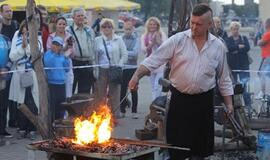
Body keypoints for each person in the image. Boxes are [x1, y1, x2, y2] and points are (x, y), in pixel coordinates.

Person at [129, 4, 234, 160]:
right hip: (179, 100)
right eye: (192, 22)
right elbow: (153, 60)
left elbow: (224, 78)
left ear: (209, 24)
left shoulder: (218, 46)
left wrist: (229, 104)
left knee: (200, 151)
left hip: (204, 102)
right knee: (176, 149)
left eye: (199, 24)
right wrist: (136, 76)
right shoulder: (178, 40)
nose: (194, 27)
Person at [9, 20, 42, 140]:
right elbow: (12, 56)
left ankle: (32, 128)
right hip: (19, 73)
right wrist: (21, 49)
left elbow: (37, 53)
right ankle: (22, 128)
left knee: (32, 101)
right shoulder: (16, 34)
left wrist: (26, 47)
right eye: (24, 28)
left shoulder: (37, 35)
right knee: (21, 101)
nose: (25, 30)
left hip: (32, 72)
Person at [95, 18, 128, 118]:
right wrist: (95, 70)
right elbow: (94, 56)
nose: (107, 28)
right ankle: (100, 114)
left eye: (109, 26)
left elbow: (124, 54)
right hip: (102, 69)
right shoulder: (97, 40)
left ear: (113, 28)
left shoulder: (119, 39)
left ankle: (114, 114)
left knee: (115, 92)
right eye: (104, 26)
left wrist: (119, 64)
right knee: (101, 93)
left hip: (114, 68)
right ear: (101, 28)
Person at [66, 7, 96, 94]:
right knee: (70, 90)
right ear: (73, 18)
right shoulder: (68, 30)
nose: (80, 18)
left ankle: (82, 108)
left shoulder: (89, 30)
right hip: (74, 62)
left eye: (82, 16)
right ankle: (70, 108)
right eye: (78, 16)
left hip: (87, 63)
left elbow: (93, 46)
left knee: (85, 92)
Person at [47, 17, 75, 100]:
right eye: (60, 24)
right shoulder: (51, 37)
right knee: (57, 90)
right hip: (55, 64)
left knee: (68, 87)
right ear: (56, 25)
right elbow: (50, 51)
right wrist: (63, 48)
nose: (62, 26)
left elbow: (73, 53)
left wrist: (69, 49)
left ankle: (67, 111)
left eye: (64, 24)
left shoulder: (70, 37)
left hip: (67, 64)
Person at [0, 4, 19, 128]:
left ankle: (10, 123)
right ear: (1, 13)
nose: (9, 13)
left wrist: (7, 66)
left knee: (10, 97)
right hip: (3, 69)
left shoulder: (15, 26)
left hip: (11, 66)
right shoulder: (2, 29)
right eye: (7, 11)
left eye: (11, 11)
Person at [44, 36, 70, 123]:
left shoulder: (62, 55)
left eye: (58, 45)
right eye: (54, 44)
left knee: (61, 105)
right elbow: (48, 64)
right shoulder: (48, 54)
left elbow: (67, 69)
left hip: (62, 84)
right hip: (52, 84)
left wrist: (66, 58)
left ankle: (60, 123)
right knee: (52, 106)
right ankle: (52, 124)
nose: (55, 46)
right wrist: (54, 54)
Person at [225, 21, 251, 108]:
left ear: (238, 29)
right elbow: (228, 48)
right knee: (234, 86)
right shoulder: (228, 39)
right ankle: (235, 105)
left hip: (243, 66)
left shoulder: (243, 38)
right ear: (231, 29)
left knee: (245, 85)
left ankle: (248, 105)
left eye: (236, 29)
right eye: (233, 29)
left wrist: (236, 50)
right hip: (233, 66)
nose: (235, 31)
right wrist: (239, 47)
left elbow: (247, 47)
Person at [141, 17, 167, 100]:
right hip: (150, 63)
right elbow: (143, 50)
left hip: (160, 63)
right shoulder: (144, 36)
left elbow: (165, 48)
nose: (152, 26)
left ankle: (155, 104)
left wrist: (158, 41)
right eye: (150, 24)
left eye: (154, 24)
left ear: (157, 25)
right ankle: (155, 104)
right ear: (148, 26)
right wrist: (152, 44)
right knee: (152, 86)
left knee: (157, 86)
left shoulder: (161, 34)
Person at [120, 21, 140, 119]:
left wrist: (124, 53)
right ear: (123, 29)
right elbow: (120, 52)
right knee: (122, 90)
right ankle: (122, 110)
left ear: (133, 29)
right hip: (123, 68)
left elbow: (135, 54)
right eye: (126, 29)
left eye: (129, 29)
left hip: (133, 68)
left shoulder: (136, 39)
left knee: (134, 90)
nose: (128, 31)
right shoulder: (120, 39)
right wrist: (127, 53)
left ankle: (134, 111)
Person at [0, 16, 12, 138]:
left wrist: (6, 68)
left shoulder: (6, 39)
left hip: (4, 76)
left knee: (3, 104)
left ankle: (2, 129)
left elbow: (11, 57)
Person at [257, 18, 270, 99]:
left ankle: (262, 92)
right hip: (266, 57)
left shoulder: (268, 34)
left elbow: (260, 43)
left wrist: (259, 40)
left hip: (267, 57)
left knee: (261, 73)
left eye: (265, 23)